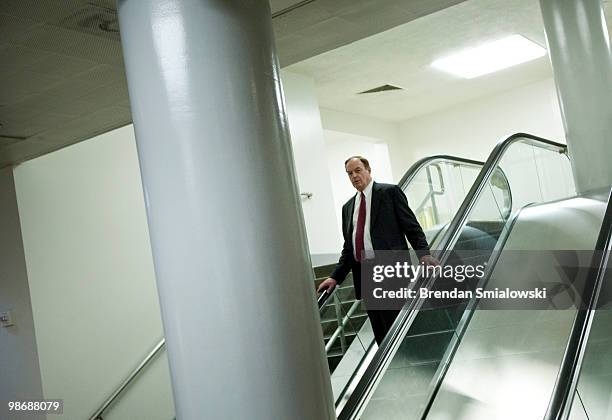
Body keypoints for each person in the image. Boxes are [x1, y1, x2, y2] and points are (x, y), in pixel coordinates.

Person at [318, 156, 438, 345]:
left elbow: (411, 226)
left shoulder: (390, 193)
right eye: (350, 173)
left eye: (358, 170)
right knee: (381, 333)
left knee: (398, 328)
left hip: (391, 271)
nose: (354, 176)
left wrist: (424, 254)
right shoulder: (348, 207)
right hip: (365, 275)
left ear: (368, 170)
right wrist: (335, 277)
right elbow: (349, 248)